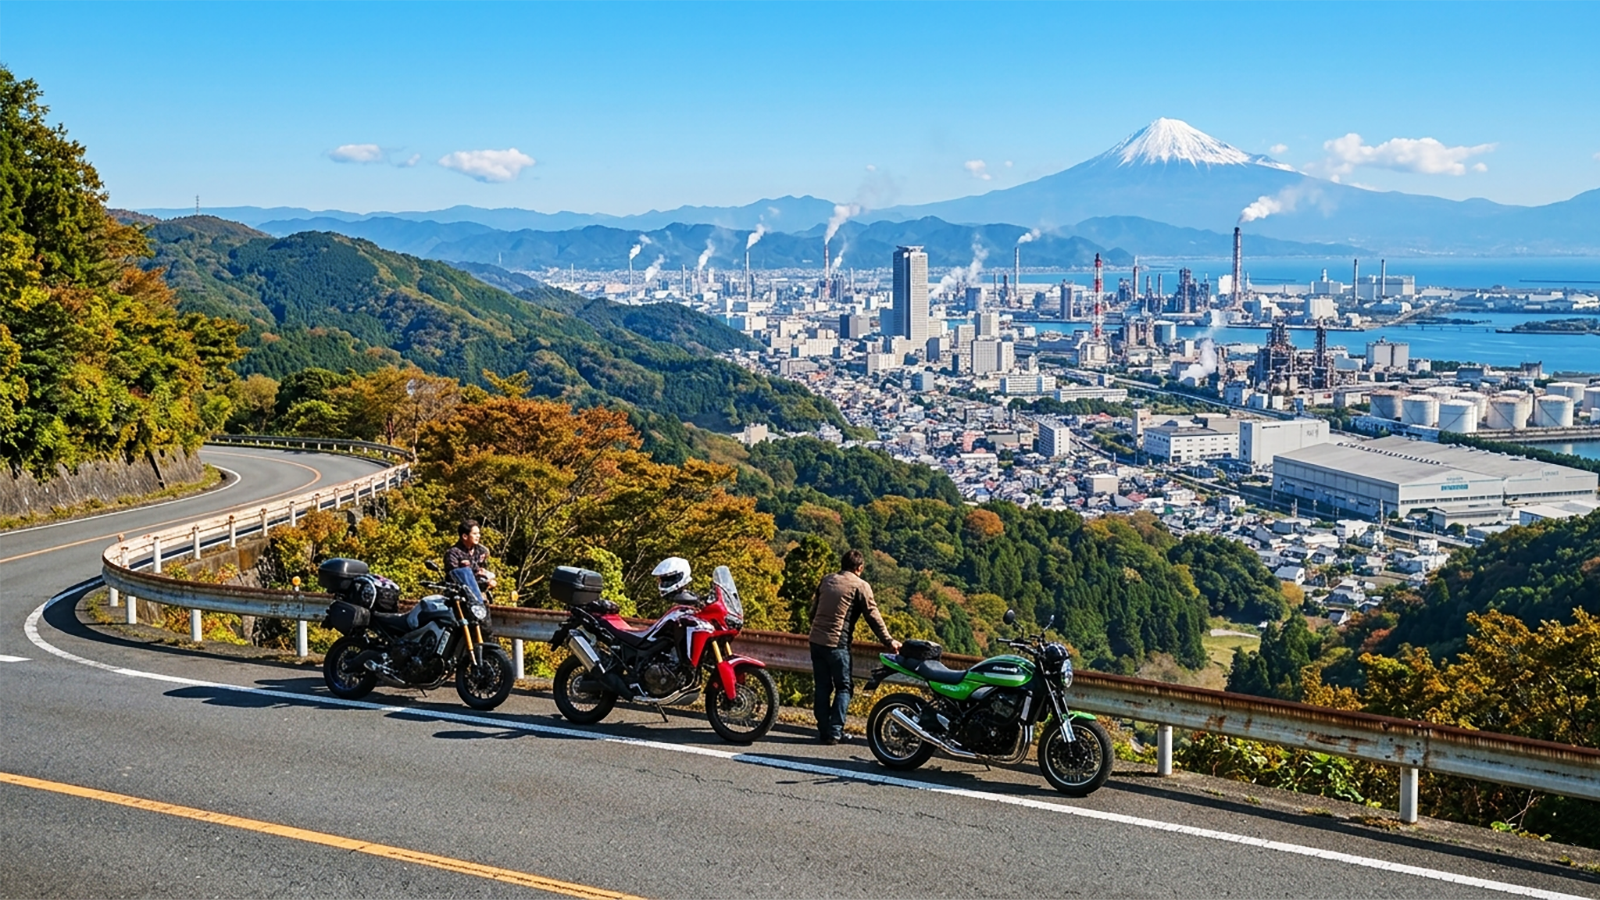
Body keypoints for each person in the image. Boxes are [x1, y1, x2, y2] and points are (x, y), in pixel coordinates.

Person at [809, 549, 900, 745]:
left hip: (816, 641)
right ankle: (835, 732)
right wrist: (889, 641)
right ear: (860, 568)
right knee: (844, 687)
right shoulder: (860, 585)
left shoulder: (827, 580)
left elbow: (813, 611)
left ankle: (824, 730)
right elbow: (873, 616)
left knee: (822, 687)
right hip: (836, 643)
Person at [445, 519, 497, 596]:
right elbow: (454, 577)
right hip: (458, 595)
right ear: (465, 536)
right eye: (475, 534)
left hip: (479, 593)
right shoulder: (453, 553)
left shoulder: (482, 551)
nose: (478, 536)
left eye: (479, 533)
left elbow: (484, 570)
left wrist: (489, 579)